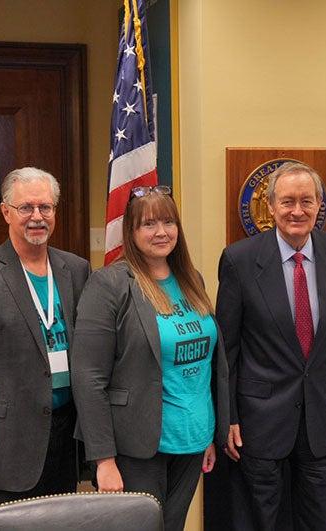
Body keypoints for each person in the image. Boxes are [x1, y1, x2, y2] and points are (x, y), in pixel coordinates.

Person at [71, 185, 229, 531]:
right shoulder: (109, 285)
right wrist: (104, 459)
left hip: (191, 440)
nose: (161, 232)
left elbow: (207, 366)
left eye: (169, 222)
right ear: (131, 231)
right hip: (137, 447)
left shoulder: (192, 280)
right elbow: (88, 377)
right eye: (149, 224)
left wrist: (207, 436)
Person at [216, 161, 326, 531]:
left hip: (323, 416)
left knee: (319, 517)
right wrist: (228, 415)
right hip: (258, 418)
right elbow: (227, 348)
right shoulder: (239, 259)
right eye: (287, 202)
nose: (297, 211)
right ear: (271, 207)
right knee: (260, 519)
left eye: (306, 201)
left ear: (319, 206)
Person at [0, 167, 91, 506]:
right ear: (6, 211)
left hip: (66, 433)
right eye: (26, 207)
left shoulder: (77, 270)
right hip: (6, 443)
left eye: (46, 207)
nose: (37, 217)